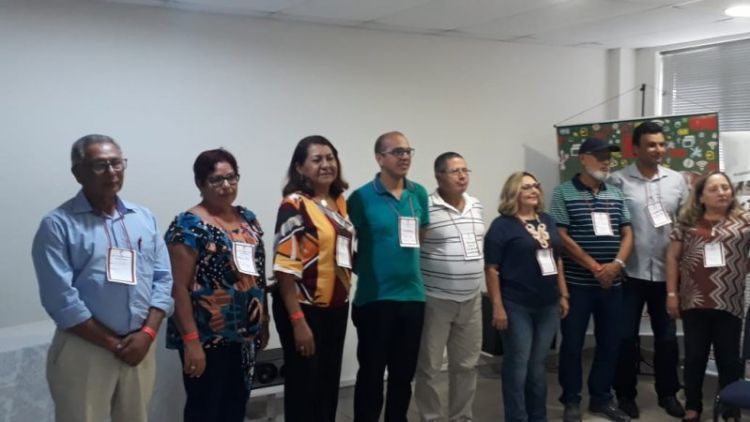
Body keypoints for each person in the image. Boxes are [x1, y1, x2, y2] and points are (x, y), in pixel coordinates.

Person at [31, 134, 174, 422]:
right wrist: (113, 343)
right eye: (100, 165)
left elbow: (163, 279)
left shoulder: (143, 217)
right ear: (78, 173)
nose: (111, 172)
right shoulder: (57, 225)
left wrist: (147, 334)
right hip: (85, 349)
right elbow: (61, 300)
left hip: (140, 346)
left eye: (117, 163)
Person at [165, 148, 268, 422]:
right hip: (206, 337)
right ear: (200, 183)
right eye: (216, 179)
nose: (226, 185)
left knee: (236, 406)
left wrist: (264, 321)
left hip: (245, 335)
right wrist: (191, 342)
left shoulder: (248, 219)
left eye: (231, 177)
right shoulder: (187, 225)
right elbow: (178, 288)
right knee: (205, 409)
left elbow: (258, 275)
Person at [348, 131, 429, 422]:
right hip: (375, 299)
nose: (404, 157)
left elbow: (421, 234)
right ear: (380, 158)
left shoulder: (418, 193)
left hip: (412, 297)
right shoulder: (360, 197)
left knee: (403, 376)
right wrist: (368, 267)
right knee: (371, 374)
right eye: (397, 152)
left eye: (408, 151)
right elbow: (343, 244)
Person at [550, 137, 633, 422]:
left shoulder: (616, 193)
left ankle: (601, 398)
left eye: (609, 157)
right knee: (572, 344)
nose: (607, 161)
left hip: (613, 284)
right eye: (600, 156)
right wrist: (597, 268)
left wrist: (617, 265)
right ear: (583, 158)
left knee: (610, 343)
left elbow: (628, 233)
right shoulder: (563, 193)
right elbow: (561, 237)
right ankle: (571, 399)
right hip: (578, 285)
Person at [272, 135, 355, 421]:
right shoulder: (293, 205)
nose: (326, 164)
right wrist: (298, 322)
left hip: (336, 307)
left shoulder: (338, 202)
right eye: (317, 159)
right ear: (300, 167)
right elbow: (284, 268)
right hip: (303, 309)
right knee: (304, 390)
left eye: (330, 158)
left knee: (328, 387)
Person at [608, 121, 688, 418]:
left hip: (667, 273)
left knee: (666, 338)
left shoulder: (676, 180)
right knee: (625, 337)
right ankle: (625, 395)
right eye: (651, 145)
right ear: (636, 148)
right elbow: (611, 225)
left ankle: (668, 393)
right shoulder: (618, 181)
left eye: (662, 144)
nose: (658, 150)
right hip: (629, 272)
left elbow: (685, 223)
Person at [485, 171, 570, 422]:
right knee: (518, 365)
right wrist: (497, 307)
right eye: (526, 187)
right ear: (513, 192)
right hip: (516, 305)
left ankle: (538, 417)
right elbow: (492, 269)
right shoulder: (502, 225)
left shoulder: (547, 220)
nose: (534, 190)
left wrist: (563, 293)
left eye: (536, 185)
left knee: (537, 366)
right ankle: (517, 417)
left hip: (548, 304)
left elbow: (557, 259)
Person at [666, 171, 750, 422]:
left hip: (729, 301)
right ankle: (693, 406)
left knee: (729, 359)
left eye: (725, 187)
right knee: (694, 357)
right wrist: (671, 293)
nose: (722, 192)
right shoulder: (687, 222)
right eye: (714, 189)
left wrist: (740, 267)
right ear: (701, 196)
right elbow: (672, 257)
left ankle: (729, 408)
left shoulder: (745, 222)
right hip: (694, 301)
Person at [414, 152, 485, 422]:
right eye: (455, 171)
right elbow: (415, 249)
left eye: (465, 170)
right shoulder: (425, 206)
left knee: (467, 365)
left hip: (471, 299)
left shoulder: (475, 205)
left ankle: (461, 417)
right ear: (438, 176)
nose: (462, 176)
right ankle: (431, 417)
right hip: (436, 299)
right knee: (429, 367)